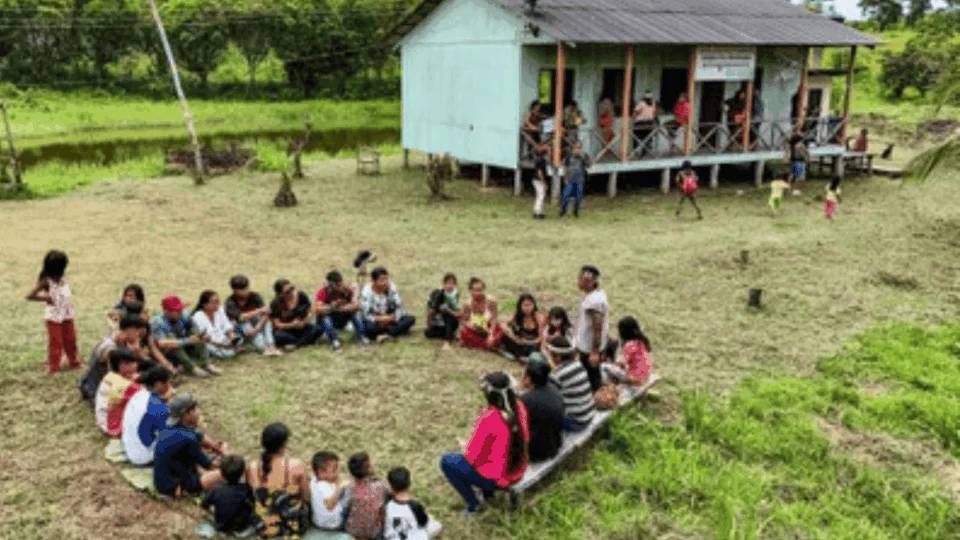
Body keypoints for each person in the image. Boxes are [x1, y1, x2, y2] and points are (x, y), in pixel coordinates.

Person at [440, 371, 530, 516]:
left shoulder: (489, 418)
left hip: (499, 479)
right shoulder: (520, 407)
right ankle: (486, 493)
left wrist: (464, 446)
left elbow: (472, 457)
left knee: (447, 461)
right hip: (519, 469)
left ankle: (474, 504)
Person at [153, 394, 227, 497]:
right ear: (187, 414)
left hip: (163, 480)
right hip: (174, 486)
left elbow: (199, 435)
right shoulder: (188, 439)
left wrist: (214, 446)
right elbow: (210, 466)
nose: (198, 413)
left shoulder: (169, 427)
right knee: (224, 473)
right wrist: (225, 454)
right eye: (195, 410)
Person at [247, 423, 310, 537]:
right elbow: (305, 497)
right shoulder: (296, 465)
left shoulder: (252, 467)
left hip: (264, 526)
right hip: (291, 527)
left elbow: (253, 494)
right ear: (283, 445)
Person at [26, 250, 78, 374]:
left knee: (70, 340)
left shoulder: (61, 280)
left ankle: (74, 362)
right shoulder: (46, 281)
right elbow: (30, 295)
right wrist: (46, 298)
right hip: (54, 317)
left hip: (67, 314)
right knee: (56, 343)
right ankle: (53, 367)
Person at [80, 316, 153, 402]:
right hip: (98, 388)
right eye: (139, 335)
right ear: (131, 330)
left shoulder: (123, 341)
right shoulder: (108, 347)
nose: (139, 339)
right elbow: (115, 374)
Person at [151, 294, 220, 377]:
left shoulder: (184, 315)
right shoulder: (158, 321)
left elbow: (194, 329)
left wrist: (199, 337)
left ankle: (205, 364)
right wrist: (188, 340)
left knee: (199, 337)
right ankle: (192, 367)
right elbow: (162, 343)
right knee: (173, 341)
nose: (180, 312)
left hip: (183, 344)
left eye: (180, 309)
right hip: (166, 351)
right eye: (176, 310)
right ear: (166, 311)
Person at [122, 366, 174, 466]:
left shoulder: (139, 395)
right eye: (169, 383)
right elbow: (167, 436)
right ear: (158, 384)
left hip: (130, 448)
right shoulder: (158, 408)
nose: (171, 387)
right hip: (144, 456)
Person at [545, 337, 595, 432]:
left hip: (576, 422)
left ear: (558, 357)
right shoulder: (578, 364)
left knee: (542, 410)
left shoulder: (558, 374)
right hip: (588, 415)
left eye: (551, 355)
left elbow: (548, 398)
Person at [224, 275, 282, 357]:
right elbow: (240, 318)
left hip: (256, 324)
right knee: (245, 323)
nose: (245, 291)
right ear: (235, 290)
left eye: (246, 288)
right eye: (242, 290)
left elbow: (266, 314)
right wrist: (258, 311)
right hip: (240, 327)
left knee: (267, 322)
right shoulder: (230, 302)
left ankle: (271, 345)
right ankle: (264, 348)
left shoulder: (255, 296)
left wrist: (256, 328)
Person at [573, 265, 610, 391]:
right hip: (587, 344)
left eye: (583, 280)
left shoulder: (594, 301)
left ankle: (597, 395)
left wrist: (594, 351)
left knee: (592, 376)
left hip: (589, 347)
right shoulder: (594, 295)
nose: (579, 282)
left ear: (592, 281)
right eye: (580, 278)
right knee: (591, 373)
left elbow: (597, 326)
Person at [315, 270, 371, 352]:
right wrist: (332, 307)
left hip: (343, 314)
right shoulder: (323, 291)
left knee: (355, 313)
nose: (340, 287)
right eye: (337, 285)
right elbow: (318, 309)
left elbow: (356, 305)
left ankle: (362, 336)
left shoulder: (348, 289)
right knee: (324, 316)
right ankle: (334, 340)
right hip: (330, 316)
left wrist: (341, 308)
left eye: (340, 284)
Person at [520, 360, 564, 463]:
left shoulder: (526, 400)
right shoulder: (554, 389)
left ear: (528, 378)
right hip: (555, 444)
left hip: (536, 453)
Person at [202, 455, 255, 536]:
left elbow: (204, 504)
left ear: (222, 474)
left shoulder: (216, 489)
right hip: (241, 527)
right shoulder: (246, 488)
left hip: (221, 525)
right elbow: (253, 502)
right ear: (242, 473)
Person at [359, 267, 416, 343]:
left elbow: (399, 307)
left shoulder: (392, 288)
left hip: (391, 319)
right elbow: (365, 314)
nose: (385, 282)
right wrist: (381, 319)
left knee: (410, 319)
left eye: (386, 279)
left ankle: (384, 335)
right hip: (376, 321)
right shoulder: (366, 292)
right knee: (369, 327)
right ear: (373, 281)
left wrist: (391, 318)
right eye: (381, 280)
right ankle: (392, 332)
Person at [94, 348, 142, 437]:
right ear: (121, 365)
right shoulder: (124, 385)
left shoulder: (110, 376)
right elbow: (149, 395)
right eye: (130, 363)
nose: (135, 365)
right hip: (114, 429)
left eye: (134, 362)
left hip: (103, 423)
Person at [384, 467, 442, 540]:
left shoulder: (387, 504)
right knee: (436, 525)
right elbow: (424, 523)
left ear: (390, 486)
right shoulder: (415, 506)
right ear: (409, 484)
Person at [343, 452, 389, 540]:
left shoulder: (349, 488)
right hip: (373, 532)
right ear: (369, 469)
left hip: (352, 530)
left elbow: (344, 506)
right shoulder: (379, 486)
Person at [270, 279, 322, 350]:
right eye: (287, 292)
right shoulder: (276, 304)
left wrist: (304, 322)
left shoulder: (301, 296)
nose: (291, 292)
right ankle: (303, 341)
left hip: (301, 326)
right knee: (278, 336)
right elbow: (277, 324)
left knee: (317, 329)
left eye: (292, 289)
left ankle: (296, 344)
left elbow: (311, 311)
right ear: (280, 294)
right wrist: (292, 325)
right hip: (286, 329)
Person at [602, 316, 654, 386]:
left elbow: (622, 363)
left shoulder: (630, 345)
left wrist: (611, 363)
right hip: (646, 376)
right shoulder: (643, 341)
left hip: (635, 380)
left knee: (604, 366)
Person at [191, 290, 242, 360]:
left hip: (222, 339)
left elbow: (227, 326)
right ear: (204, 305)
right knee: (228, 354)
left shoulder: (220, 310)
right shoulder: (198, 317)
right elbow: (205, 338)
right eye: (214, 302)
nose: (217, 304)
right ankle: (230, 350)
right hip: (209, 343)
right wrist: (225, 345)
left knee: (239, 340)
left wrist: (233, 338)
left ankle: (231, 349)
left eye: (218, 302)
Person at [459, 277, 502, 351]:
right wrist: (473, 326)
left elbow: (494, 320)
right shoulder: (468, 304)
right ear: (471, 291)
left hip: (489, 329)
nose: (477, 293)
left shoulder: (491, 301)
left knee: (501, 331)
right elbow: (464, 321)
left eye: (480, 290)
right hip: (476, 329)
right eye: (475, 291)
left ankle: (486, 343)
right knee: (464, 332)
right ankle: (486, 345)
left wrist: (490, 334)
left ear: (484, 290)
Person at [310, 451, 348, 532]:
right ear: (321, 472)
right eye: (334, 469)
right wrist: (341, 487)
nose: (337, 472)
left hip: (318, 521)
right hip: (332, 524)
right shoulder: (323, 486)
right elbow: (329, 506)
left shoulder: (314, 480)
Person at [501, 293, 544, 363]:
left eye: (529, 305)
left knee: (535, 348)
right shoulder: (518, 315)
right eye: (525, 305)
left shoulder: (538, 317)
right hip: (519, 341)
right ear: (520, 306)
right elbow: (504, 325)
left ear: (534, 305)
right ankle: (520, 356)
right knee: (504, 336)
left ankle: (522, 357)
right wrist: (514, 337)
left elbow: (541, 338)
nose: (527, 308)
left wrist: (528, 342)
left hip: (532, 343)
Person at [424, 273, 461, 342]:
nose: (450, 286)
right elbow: (429, 318)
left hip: (449, 321)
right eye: (448, 283)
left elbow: (458, 314)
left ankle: (448, 335)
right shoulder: (436, 293)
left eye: (452, 284)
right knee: (427, 332)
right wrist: (430, 315)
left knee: (447, 317)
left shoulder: (453, 296)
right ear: (443, 284)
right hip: (438, 323)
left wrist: (448, 311)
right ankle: (447, 334)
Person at [560, 142, 590, 219]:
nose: (577, 150)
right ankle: (563, 213)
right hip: (570, 180)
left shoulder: (583, 157)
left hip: (580, 180)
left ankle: (575, 212)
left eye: (579, 148)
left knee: (578, 197)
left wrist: (585, 158)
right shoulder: (568, 157)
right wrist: (565, 177)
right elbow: (564, 167)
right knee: (565, 196)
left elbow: (589, 165)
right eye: (575, 148)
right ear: (573, 149)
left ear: (581, 149)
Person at [633, 91, 658, 156]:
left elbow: (636, 112)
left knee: (637, 138)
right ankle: (644, 153)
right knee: (647, 138)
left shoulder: (641, 103)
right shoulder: (653, 104)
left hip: (640, 123)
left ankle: (636, 152)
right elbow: (654, 113)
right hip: (649, 122)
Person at [532, 143, 549, 220]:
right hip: (539, 180)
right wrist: (544, 182)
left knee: (540, 196)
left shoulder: (538, 159)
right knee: (540, 196)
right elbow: (540, 172)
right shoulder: (541, 160)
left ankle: (539, 212)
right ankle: (537, 213)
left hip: (536, 179)